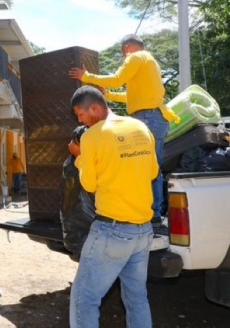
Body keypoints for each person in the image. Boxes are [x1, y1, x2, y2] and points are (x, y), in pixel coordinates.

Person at [69, 34, 178, 233]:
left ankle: (151, 214)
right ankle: (152, 213)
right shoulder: (148, 62)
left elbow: (117, 79)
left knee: (145, 168)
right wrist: (108, 95)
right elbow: (132, 96)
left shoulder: (136, 57)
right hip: (155, 116)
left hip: (148, 117)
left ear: (127, 47)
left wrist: (86, 77)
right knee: (150, 167)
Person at [67, 86, 156, 327]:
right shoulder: (140, 127)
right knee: (137, 299)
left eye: (80, 114)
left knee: (84, 299)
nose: (80, 120)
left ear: (94, 108)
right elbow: (152, 171)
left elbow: (88, 184)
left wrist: (79, 157)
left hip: (113, 231)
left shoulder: (92, 136)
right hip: (143, 231)